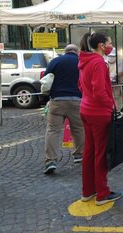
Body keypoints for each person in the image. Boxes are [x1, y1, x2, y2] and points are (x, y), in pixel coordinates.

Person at [78, 32, 122, 205]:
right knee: (101, 153)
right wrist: (111, 106)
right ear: (102, 46)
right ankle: (102, 193)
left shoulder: (84, 61)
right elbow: (99, 91)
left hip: (85, 109)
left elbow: (80, 86)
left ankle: (87, 191)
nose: (111, 46)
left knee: (89, 152)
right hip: (98, 113)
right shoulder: (98, 63)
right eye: (109, 43)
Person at [43, 44, 85, 174]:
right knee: (78, 128)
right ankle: (79, 155)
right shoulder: (81, 62)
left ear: (65, 52)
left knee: (53, 130)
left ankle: (51, 161)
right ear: (77, 52)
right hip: (77, 100)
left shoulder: (55, 61)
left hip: (57, 100)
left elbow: (45, 79)